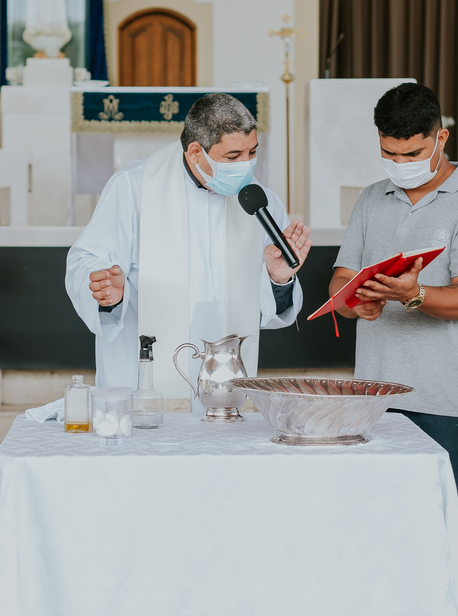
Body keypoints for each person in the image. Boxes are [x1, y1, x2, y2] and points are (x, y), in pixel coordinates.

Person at [330, 82, 458, 605]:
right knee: (375, 531)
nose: (400, 162)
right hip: (373, 403)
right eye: (389, 152)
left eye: (411, 153)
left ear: (441, 138)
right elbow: (342, 280)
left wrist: (412, 295)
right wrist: (353, 301)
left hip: (444, 404)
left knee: (444, 533)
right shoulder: (372, 197)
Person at [65, 93, 311, 400]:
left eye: (252, 153)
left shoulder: (261, 202)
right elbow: (86, 258)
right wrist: (107, 294)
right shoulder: (134, 187)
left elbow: (274, 310)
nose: (246, 166)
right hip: (145, 379)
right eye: (233, 158)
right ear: (195, 151)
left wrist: (278, 278)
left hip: (225, 381)